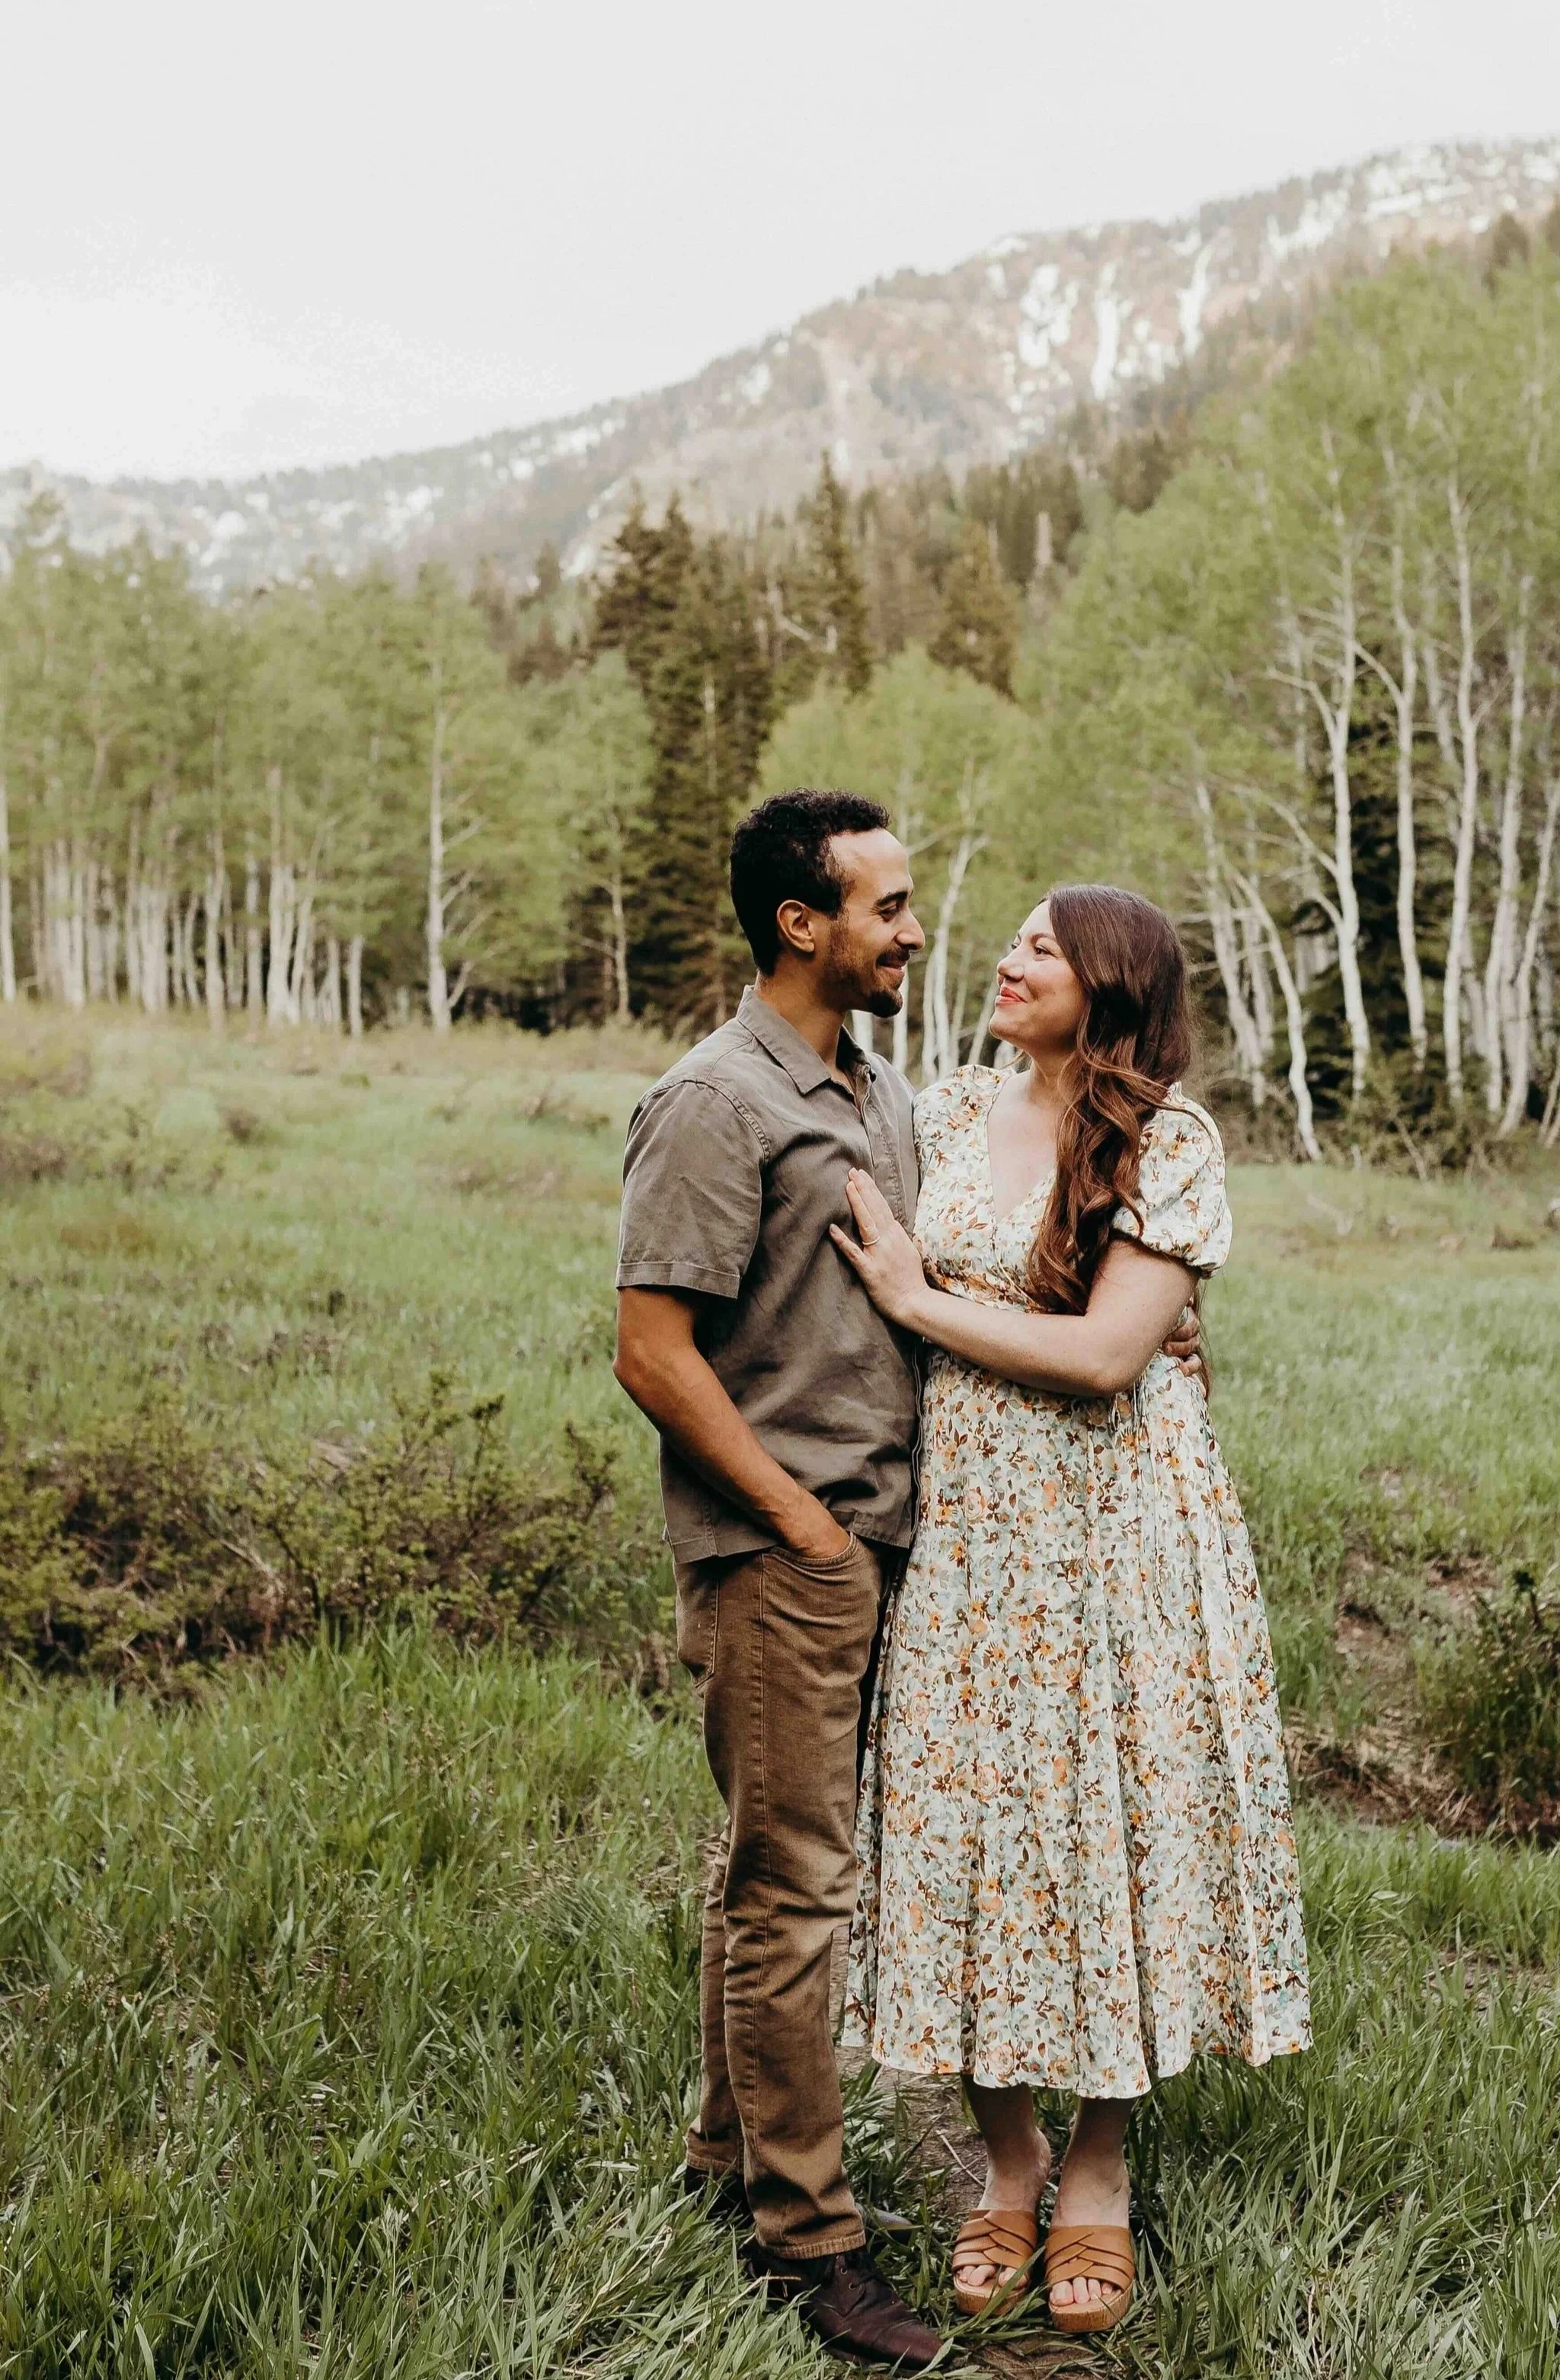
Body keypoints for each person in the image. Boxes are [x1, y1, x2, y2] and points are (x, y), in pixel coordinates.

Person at [834, 883, 1310, 2339]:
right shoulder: (947, 1106)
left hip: (1121, 1537)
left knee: (1115, 1822)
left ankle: (1096, 2171)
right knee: (970, 1825)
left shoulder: (1171, 1140)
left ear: (1107, 981)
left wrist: (925, 1309)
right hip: (971, 1535)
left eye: (1040, 946)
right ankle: (1006, 2156)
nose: (1006, 959)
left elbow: (1110, 1353)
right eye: (1015, 940)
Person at [611, 788, 945, 2369]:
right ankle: (806, 2240)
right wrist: (800, 1525)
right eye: (886, 903)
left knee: (767, 1871)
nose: (912, 927)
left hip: (867, 1542)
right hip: (783, 1555)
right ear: (800, 922)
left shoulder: (866, 1088)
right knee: (794, 1890)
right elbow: (651, 1350)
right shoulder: (712, 1097)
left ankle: (718, 2158)